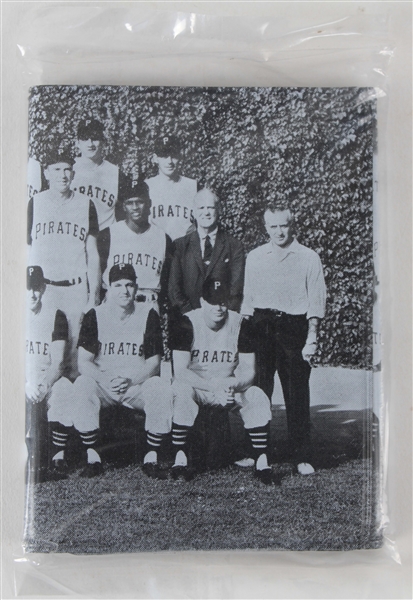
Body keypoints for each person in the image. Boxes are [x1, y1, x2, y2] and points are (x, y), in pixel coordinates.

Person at [241, 202, 326, 475]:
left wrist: (312, 336)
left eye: (284, 225)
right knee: (259, 391)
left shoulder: (309, 257)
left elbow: (316, 300)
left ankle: (301, 456)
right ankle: (258, 453)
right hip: (262, 327)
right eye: (273, 226)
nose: (279, 231)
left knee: (297, 394)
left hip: (294, 328)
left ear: (293, 224)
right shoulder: (255, 256)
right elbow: (247, 299)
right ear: (266, 227)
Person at [72, 264, 173, 479]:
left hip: (135, 384)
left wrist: (131, 380)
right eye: (118, 285)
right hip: (105, 385)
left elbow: (154, 363)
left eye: (129, 285)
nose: (124, 291)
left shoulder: (148, 314)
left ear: (136, 287)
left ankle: (151, 457)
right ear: (108, 288)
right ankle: (93, 456)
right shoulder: (95, 314)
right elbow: (84, 362)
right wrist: (106, 379)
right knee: (82, 384)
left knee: (160, 387)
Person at [170, 278, 274, 484]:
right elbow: (180, 372)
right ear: (202, 301)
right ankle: (179, 459)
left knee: (256, 395)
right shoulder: (186, 322)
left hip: (228, 387)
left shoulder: (241, 324)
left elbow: (248, 371)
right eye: (212, 301)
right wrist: (212, 387)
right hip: (198, 386)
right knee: (180, 392)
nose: (218, 307)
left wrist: (232, 385)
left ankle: (262, 462)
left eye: (223, 302)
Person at [27, 148, 101, 376]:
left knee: (74, 362)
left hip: (75, 290)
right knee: (43, 358)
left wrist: (94, 295)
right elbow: (26, 250)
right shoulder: (34, 203)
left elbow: (93, 253)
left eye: (67, 169)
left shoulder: (86, 203)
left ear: (73, 173)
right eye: (56, 169)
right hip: (44, 290)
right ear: (46, 173)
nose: (62, 175)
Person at [25, 266, 74, 478]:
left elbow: (58, 362)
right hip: (22, 381)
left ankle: (57, 455)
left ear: (43, 288)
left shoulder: (56, 315)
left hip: (46, 379)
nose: (32, 294)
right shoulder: (7, 314)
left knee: (63, 388)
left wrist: (43, 385)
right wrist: (25, 384)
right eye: (26, 288)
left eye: (36, 287)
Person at [98, 180, 173, 309]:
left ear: (149, 204)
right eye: (129, 203)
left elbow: (167, 281)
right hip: (115, 303)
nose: (135, 207)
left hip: (148, 302)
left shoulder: (163, 238)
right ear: (123, 206)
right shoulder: (108, 234)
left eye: (140, 202)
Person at [168, 188, 245, 314]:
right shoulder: (180, 246)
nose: (206, 213)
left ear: (219, 210)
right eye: (201, 208)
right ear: (194, 212)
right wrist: (193, 317)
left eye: (210, 208)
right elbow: (174, 290)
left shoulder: (234, 246)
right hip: (187, 321)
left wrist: (218, 318)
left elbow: (235, 291)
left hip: (222, 320)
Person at [72, 118, 131, 230]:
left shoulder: (115, 173)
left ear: (103, 141)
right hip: (75, 238)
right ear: (77, 143)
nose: (90, 144)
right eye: (85, 139)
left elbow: (124, 213)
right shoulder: (68, 170)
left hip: (106, 240)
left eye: (94, 138)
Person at [145, 134, 198, 241]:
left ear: (180, 156)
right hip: (155, 248)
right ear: (155, 158)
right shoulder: (146, 186)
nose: (169, 161)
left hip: (185, 251)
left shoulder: (193, 186)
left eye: (173, 156)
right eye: (164, 156)